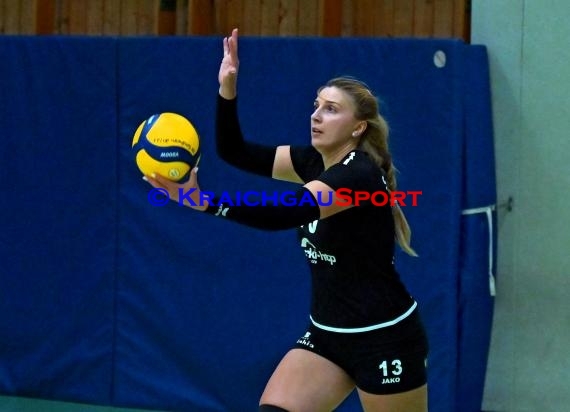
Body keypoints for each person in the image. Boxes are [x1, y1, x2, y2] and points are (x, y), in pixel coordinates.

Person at [145, 28, 429, 412]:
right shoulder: (314, 161)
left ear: (358, 127)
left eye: (331, 109)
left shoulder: (357, 176)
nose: (316, 115)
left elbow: (283, 213)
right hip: (327, 334)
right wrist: (227, 87)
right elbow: (234, 151)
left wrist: (206, 202)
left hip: (382, 336)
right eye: (316, 105)